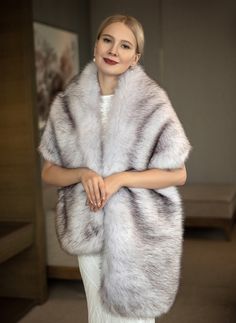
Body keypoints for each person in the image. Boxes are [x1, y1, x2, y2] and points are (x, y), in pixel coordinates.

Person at [39, 14, 191, 323]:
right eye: (108, 40)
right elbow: (49, 171)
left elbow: (179, 173)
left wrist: (121, 179)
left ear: (134, 58)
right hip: (89, 225)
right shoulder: (68, 104)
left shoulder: (151, 103)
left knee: (135, 318)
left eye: (125, 46)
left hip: (136, 231)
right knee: (99, 315)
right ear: (96, 45)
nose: (113, 50)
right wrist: (83, 173)